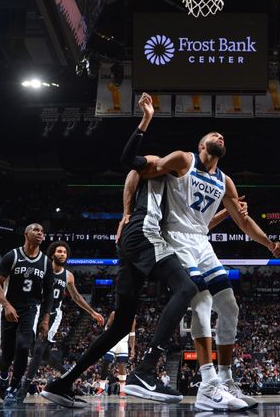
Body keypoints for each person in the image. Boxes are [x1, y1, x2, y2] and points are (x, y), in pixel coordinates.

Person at [123, 93, 280, 412]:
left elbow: (244, 220)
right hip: (174, 237)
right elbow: (137, 169)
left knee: (229, 306)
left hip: (201, 240)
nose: (219, 135)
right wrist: (126, 212)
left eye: (221, 136)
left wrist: (268, 244)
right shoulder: (184, 160)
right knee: (202, 300)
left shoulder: (225, 181)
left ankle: (224, 380)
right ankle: (207, 384)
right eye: (213, 135)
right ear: (201, 146)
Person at [40, 107, 199, 408]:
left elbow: (194, 223)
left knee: (121, 325)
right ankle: (146, 371)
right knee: (186, 288)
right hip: (143, 234)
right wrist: (146, 120)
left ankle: (62, 383)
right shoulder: (159, 166)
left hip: (132, 244)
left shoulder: (181, 187)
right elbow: (129, 164)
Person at [0, 223, 54, 405]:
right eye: (36, 230)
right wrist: (6, 305)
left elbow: (49, 293)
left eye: (42, 231)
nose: (41, 233)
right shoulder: (13, 255)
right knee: (8, 354)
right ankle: (3, 376)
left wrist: (45, 318)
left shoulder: (45, 262)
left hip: (31, 309)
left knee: (24, 346)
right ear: (26, 234)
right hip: (10, 307)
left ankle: (14, 386)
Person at [42, 241, 104, 373]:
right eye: (59, 251)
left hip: (53, 314)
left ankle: (65, 375)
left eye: (65, 252)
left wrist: (92, 312)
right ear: (52, 254)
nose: (63, 254)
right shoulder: (43, 269)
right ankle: (66, 375)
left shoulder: (68, 275)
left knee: (40, 349)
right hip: (37, 311)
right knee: (40, 352)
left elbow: (76, 297)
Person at [99, 310, 136, 397]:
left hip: (123, 342)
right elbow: (107, 327)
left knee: (122, 366)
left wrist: (132, 348)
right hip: (112, 341)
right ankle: (101, 388)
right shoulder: (114, 313)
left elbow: (132, 334)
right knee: (106, 362)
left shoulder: (132, 317)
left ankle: (122, 391)